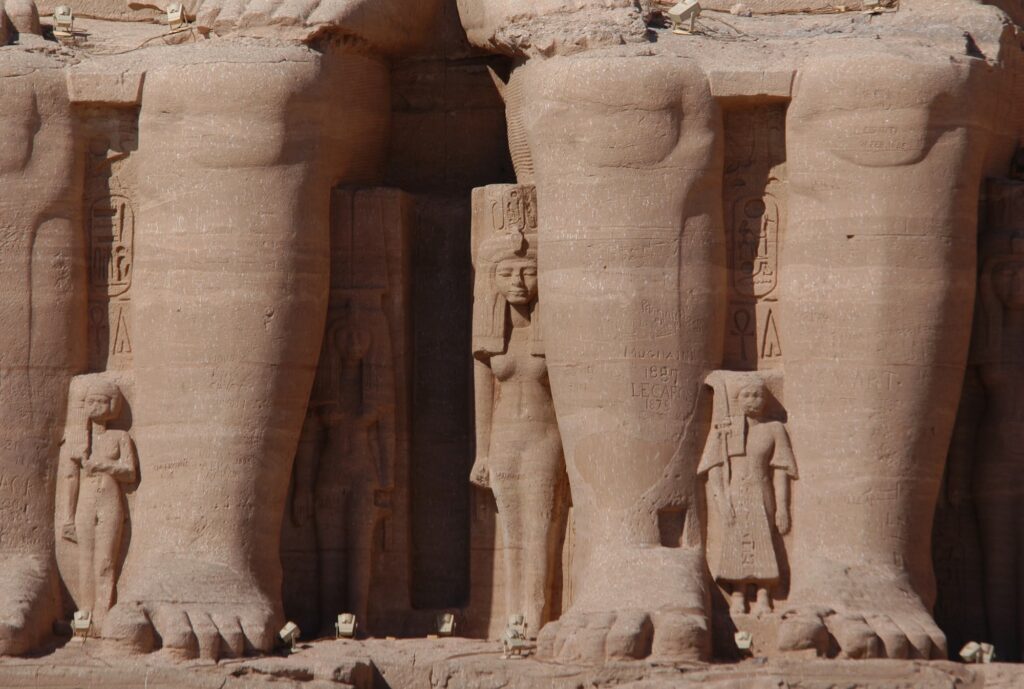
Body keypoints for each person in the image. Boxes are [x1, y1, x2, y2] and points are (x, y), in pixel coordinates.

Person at [470, 211, 566, 636]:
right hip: (504, 437)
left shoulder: (554, 336)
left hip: (546, 438)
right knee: (511, 533)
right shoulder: (493, 343)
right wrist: (481, 453)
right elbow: (483, 398)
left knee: (540, 529)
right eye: (506, 273)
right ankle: (513, 617)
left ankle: (538, 614)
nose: (518, 283)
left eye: (528, 272)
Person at [699, 379, 796, 617]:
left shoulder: (774, 428)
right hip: (735, 493)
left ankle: (764, 594)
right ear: (737, 400)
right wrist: (721, 500)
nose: (753, 400)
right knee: (736, 541)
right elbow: (715, 469)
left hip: (761, 490)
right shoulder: (726, 429)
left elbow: (781, 471)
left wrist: (783, 508)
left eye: (758, 395)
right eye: (747, 395)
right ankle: (738, 593)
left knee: (764, 539)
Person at [59, 377, 137, 629]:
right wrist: (68, 517)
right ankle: (84, 620)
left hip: (110, 500)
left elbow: (130, 472)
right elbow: (71, 479)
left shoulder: (119, 437)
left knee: (104, 562)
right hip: (85, 502)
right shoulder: (78, 440)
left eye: (102, 401)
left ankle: (103, 618)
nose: (96, 406)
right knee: (85, 561)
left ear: (112, 405)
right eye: (91, 401)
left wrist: (101, 465)